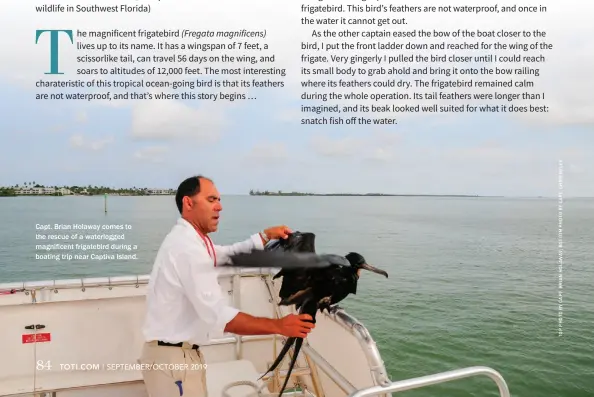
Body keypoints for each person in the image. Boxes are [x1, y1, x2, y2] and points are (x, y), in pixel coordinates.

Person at [138, 175, 315, 397]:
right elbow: (219, 315)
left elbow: (225, 256)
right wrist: (280, 326)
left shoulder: (194, 241)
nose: (219, 207)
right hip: (174, 363)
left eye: (219, 200)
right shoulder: (186, 248)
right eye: (211, 199)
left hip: (177, 358)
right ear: (188, 203)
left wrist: (264, 236)